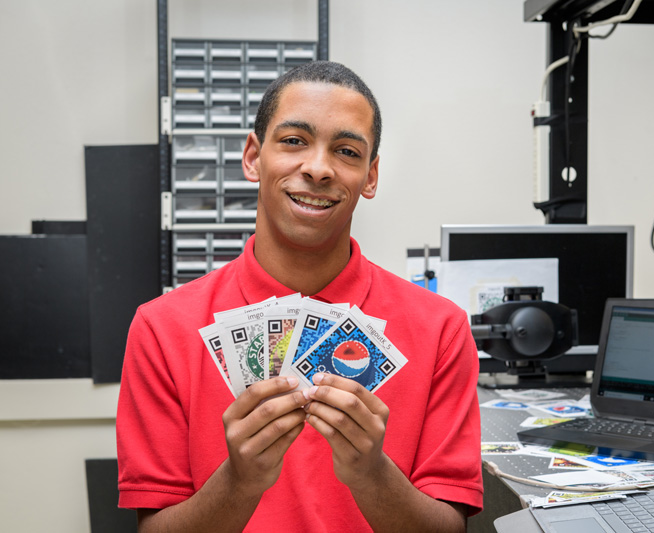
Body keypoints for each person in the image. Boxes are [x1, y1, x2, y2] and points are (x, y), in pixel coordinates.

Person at [116, 61, 483, 532]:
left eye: (347, 151)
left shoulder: (441, 329)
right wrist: (240, 481)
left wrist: (371, 476)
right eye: (293, 141)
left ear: (370, 177)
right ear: (253, 157)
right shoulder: (162, 328)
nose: (318, 168)